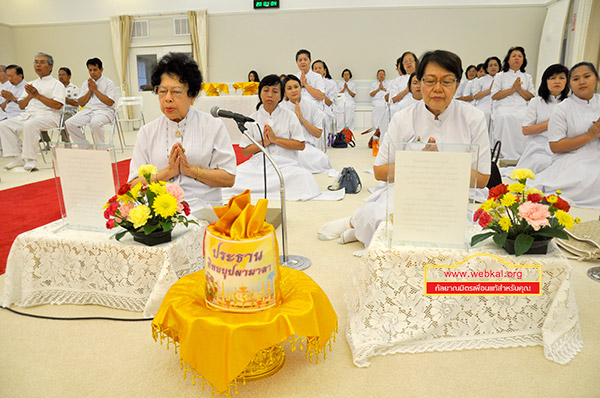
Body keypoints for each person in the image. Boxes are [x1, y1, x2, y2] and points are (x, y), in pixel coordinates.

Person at [319, 50, 491, 247]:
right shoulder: (403, 118)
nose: (437, 88)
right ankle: (354, 222)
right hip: (409, 189)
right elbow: (379, 171)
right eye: (430, 81)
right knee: (383, 219)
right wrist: (418, 165)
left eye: (446, 81)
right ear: (419, 82)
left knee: (462, 236)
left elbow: (482, 178)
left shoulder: (473, 118)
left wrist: (440, 166)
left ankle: (358, 229)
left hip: (458, 195)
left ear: (457, 84)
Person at [129, 53, 236, 212]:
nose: (168, 98)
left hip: (205, 210)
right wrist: (168, 172)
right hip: (161, 214)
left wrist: (191, 171)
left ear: (192, 95)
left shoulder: (213, 126)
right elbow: (133, 185)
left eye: (176, 92)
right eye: (162, 91)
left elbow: (228, 178)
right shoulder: (147, 132)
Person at [222, 74, 320, 201]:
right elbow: (245, 151)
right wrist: (264, 142)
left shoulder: (289, 116)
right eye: (266, 90)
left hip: (286, 165)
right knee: (235, 175)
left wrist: (275, 140)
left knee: (304, 177)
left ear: (281, 96)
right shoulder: (252, 118)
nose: (270, 95)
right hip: (258, 166)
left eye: (275, 91)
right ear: (260, 93)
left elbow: (300, 145)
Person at [531, 62, 600, 208]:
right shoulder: (562, 109)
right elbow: (555, 146)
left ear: (597, 80)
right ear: (569, 85)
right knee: (584, 178)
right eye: (575, 79)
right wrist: (590, 135)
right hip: (572, 158)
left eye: (587, 76)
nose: (582, 82)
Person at [0, 52, 65, 172]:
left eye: (42, 62)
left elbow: (57, 105)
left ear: (50, 67)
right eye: (36, 62)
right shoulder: (31, 84)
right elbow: (21, 105)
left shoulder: (57, 84)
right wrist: (30, 96)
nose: (38, 65)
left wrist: (37, 95)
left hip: (49, 116)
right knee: (4, 125)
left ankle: (30, 160)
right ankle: (17, 157)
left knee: (30, 125)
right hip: (28, 115)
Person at [506, 64, 569, 175]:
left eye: (562, 78)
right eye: (552, 78)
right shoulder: (536, 102)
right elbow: (526, 130)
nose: (557, 81)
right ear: (545, 81)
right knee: (543, 164)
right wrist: (551, 122)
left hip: (563, 146)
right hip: (539, 146)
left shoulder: (571, 103)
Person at [280, 74, 333, 174]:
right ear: (285, 92)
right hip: (288, 146)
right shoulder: (281, 108)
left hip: (306, 146)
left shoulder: (311, 105)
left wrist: (301, 119)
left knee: (323, 159)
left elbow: (318, 133)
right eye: (289, 88)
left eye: (296, 87)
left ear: (301, 88)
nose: (294, 90)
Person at [491, 46, 535, 159]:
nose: (517, 58)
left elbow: (531, 96)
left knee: (525, 118)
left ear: (523, 60)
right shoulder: (500, 76)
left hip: (522, 106)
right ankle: (504, 153)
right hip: (503, 105)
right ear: (508, 60)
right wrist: (512, 89)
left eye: (520, 56)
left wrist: (519, 90)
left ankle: (523, 154)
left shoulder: (527, 77)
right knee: (505, 117)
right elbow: (495, 95)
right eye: (514, 56)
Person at [65, 58, 115, 145]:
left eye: (95, 70)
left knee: (95, 123)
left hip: (105, 111)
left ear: (101, 69)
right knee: (69, 123)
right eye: (90, 70)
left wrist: (95, 90)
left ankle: (101, 150)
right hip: (88, 111)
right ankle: (85, 147)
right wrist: (90, 90)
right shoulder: (86, 83)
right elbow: (81, 103)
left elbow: (110, 102)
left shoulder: (109, 83)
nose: (92, 72)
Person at [472, 56, 501, 134]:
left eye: (495, 65)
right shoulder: (481, 80)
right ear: (487, 68)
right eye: (490, 65)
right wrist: (489, 91)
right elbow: (475, 96)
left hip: (499, 103)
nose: (493, 67)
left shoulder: (502, 79)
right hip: (484, 104)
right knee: (484, 113)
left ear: (499, 67)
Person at [388, 52, 419, 117]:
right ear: (402, 65)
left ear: (416, 62)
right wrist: (407, 90)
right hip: (402, 109)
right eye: (405, 62)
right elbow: (393, 99)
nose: (408, 63)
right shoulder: (397, 81)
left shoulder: (422, 76)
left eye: (410, 60)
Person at [312, 59, 337, 135]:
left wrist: (319, 93)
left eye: (320, 68)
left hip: (325, 108)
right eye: (315, 69)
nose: (317, 70)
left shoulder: (331, 84)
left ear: (324, 71)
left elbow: (329, 102)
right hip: (311, 107)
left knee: (323, 117)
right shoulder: (309, 83)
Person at [369, 69, 389, 143]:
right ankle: (377, 126)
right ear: (377, 76)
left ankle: (383, 126)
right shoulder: (374, 84)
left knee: (385, 107)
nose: (381, 75)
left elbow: (390, 92)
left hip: (384, 100)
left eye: (382, 74)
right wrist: (378, 89)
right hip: (376, 101)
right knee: (378, 106)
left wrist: (383, 88)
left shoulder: (388, 83)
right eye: (380, 74)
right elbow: (371, 94)